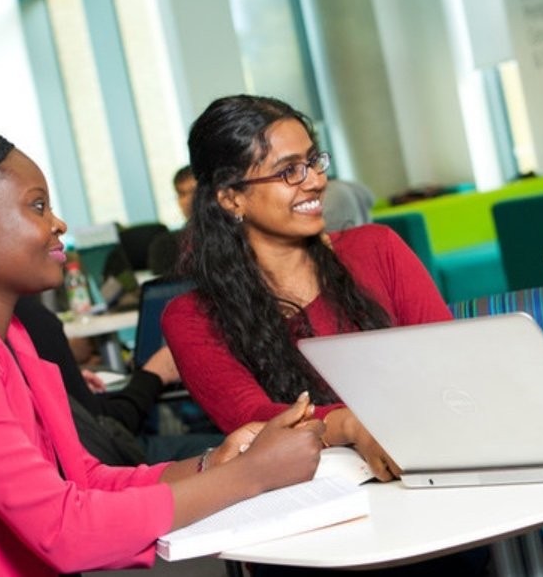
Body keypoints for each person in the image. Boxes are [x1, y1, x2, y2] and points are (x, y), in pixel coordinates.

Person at [0, 129, 324, 576]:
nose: (58, 223)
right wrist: (251, 477)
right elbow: (64, 530)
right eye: (37, 206)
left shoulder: (6, 333)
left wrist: (213, 465)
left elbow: (80, 479)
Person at [162, 95, 452, 482]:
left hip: (429, 464)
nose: (315, 180)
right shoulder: (192, 317)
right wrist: (350, 426)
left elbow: (446, 360)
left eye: (313, 161)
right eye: (288, 172)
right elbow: (253, 417)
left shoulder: (376, 249)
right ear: (231, 198)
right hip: (313, 503)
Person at [13, 294, 222, 465]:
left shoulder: (10, 321)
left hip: (87, 460)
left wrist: (72, 383)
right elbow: (110, 430)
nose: (59, 241)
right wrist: (154, 374)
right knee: (229, 448)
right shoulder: (28, 318)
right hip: (110, 461)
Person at [148, 165, 197, 275]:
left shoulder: (229, 235)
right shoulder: (167, 246)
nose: (188, 200)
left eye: (194, 191)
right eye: (182, 194)